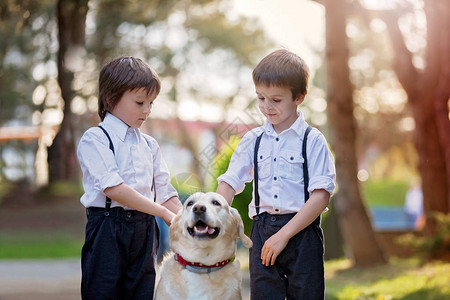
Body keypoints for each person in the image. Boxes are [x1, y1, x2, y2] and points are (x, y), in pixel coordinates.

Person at [216, 49, 336, 299]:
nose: (266, 106)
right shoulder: (253, 140)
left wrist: (284, 235)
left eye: (276, 100)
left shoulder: (312, 140)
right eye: (260, 98)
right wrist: (215, 217)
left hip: (302, 234)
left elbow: (321, 197)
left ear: (299, 98)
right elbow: (229, 182)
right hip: (262, 232)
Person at [77, 56, 182, 299]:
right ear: (110, 98)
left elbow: (165, 194)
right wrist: (163, 213)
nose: (146, 110)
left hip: (145, 231)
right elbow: (114, 188)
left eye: (151, 103)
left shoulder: (149, 144)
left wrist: (186, 219)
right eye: (139, 102)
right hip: (107, 229)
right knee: (103, 292)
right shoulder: (96, 139)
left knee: (141, 291)